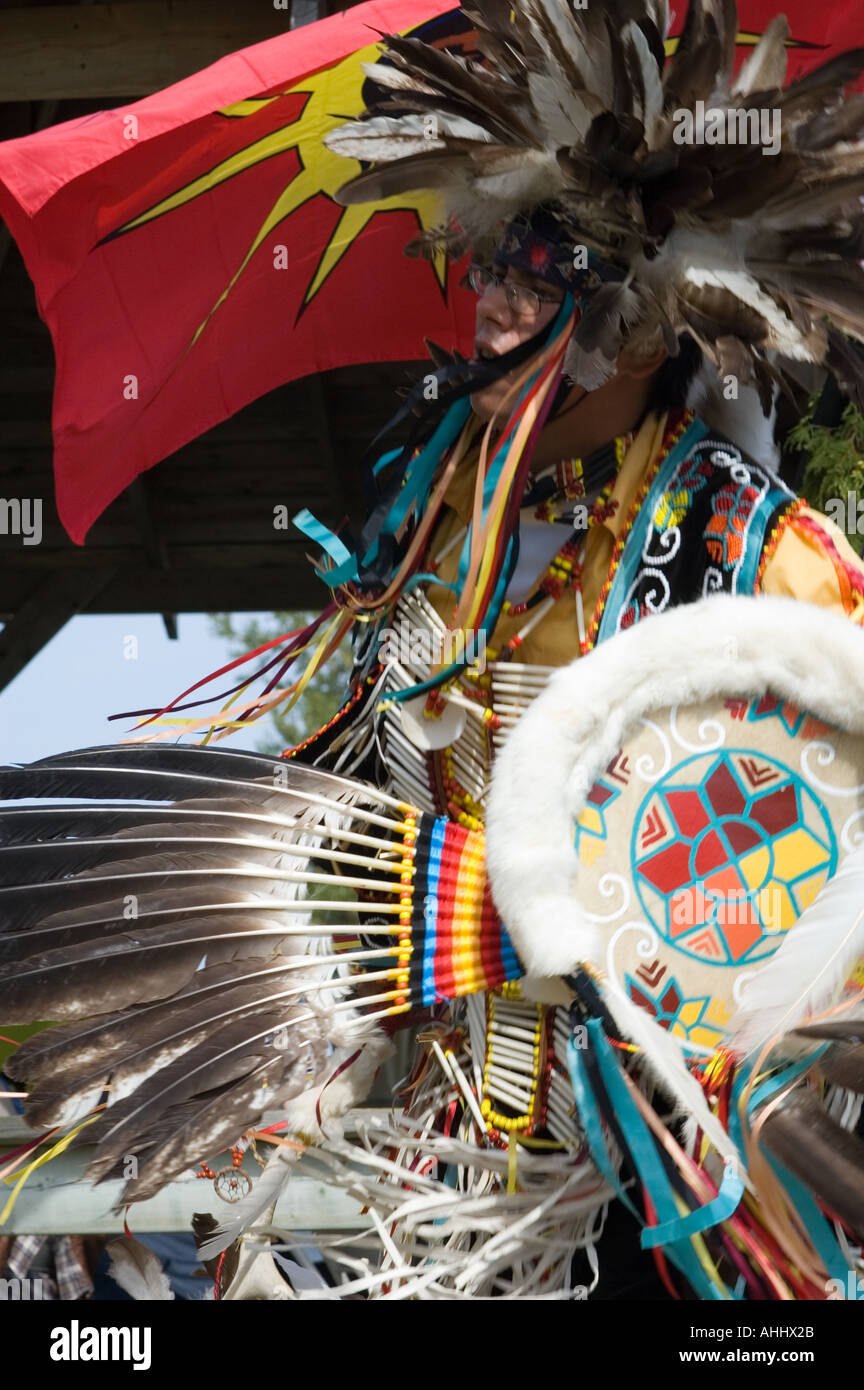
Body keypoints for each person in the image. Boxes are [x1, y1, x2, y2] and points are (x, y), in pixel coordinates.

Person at [4, 0, 864, 1300]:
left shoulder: (765, 567)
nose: (483, 313)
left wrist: (561, 911)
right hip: (471, 1159)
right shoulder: (456, 539)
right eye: (481, 271)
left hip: (706, 1185)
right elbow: (359, 810)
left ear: (632, 320)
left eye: (528, 277)